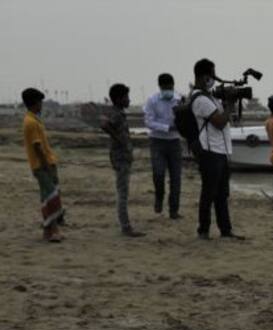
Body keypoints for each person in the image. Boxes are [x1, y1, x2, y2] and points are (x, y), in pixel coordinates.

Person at [190, 58, 242, 239]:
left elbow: (224, 118)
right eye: (212, 75)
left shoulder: (210, 98)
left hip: (220, 151)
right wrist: (230, 103)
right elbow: (219, 122)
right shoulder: (200, 100)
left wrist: (229, 103)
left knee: (221, 194)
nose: (214, 78)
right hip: (210, 151)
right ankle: (203, 230)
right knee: (209, 193)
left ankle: (225, 230)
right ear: (204, 76)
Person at [100, 83, 144, 237]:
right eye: (126, 97)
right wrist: (117, 138)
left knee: (123, 191)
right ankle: (125, 226)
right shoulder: (117, 115)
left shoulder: (118, 113)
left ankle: (125, 225)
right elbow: (105, 125)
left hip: (122, 156)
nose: (129, 100)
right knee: (123, 192)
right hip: (121, 157)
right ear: (119, 99)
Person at [21, 88, 64, 242]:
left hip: (46, 163)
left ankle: (48, 231)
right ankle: (53, 230)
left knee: (47, 197)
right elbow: (37, 147)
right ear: (34, 103)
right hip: (41, 166)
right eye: (40, 102)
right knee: (52, 197)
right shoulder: (31, 122)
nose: (41, 105)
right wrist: (46, 166)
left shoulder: (34, 120)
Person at [143, 73, 183, 218]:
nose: (168, 91)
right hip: (157, 141)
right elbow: (148, 122)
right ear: (160, 87)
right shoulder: (152, 100)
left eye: (170, 88)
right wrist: (167, 128)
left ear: (173, 86)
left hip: (175, 142)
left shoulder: (179, 99)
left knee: (176, 178)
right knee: (158, 173)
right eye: (165, 88)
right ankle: (159, 197)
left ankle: (174, 210)